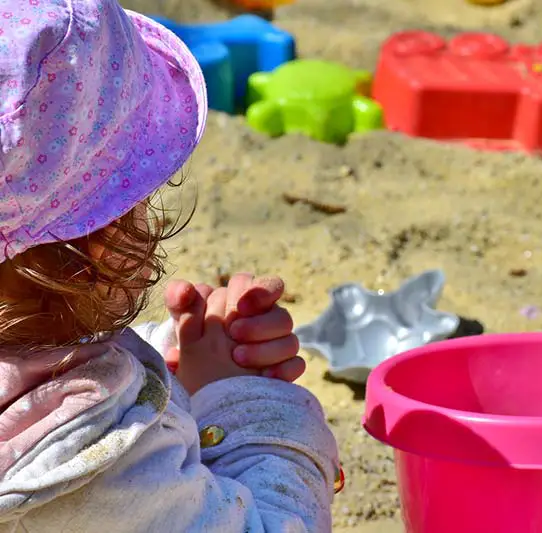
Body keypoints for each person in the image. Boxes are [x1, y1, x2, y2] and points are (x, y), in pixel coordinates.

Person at [0, 1, 340, 531]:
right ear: (91, 249)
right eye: (133, 198)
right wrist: (249, 409)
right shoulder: (85, 456)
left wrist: (173, 365)